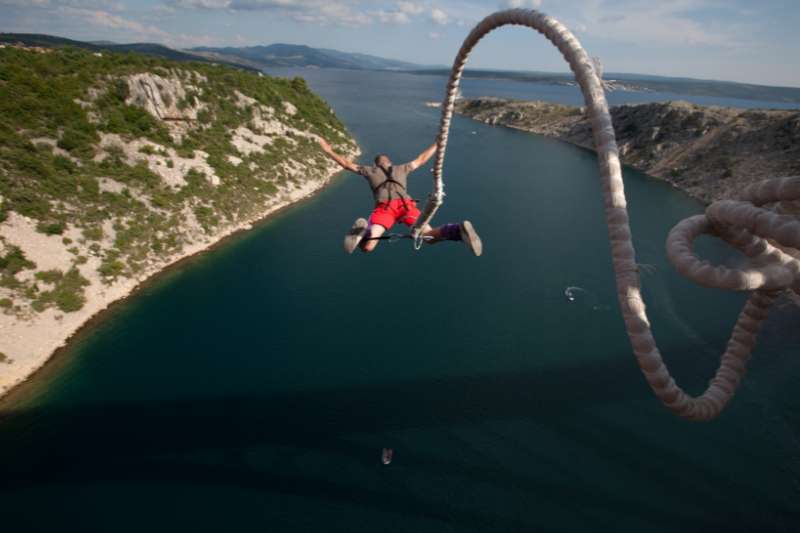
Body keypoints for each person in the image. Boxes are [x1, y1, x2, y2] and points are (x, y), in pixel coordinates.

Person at [317, 137, 482, 255]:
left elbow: (346, 164)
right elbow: (421, 159)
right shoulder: (402, 168)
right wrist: (438, 143)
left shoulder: (369, 170)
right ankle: (457, 230)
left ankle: (363, 233)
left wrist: (328, 150)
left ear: (376, 164)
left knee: (368, 247)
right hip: (406, 206)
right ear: (390, 162)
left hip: (385, 208)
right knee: (429, 237)